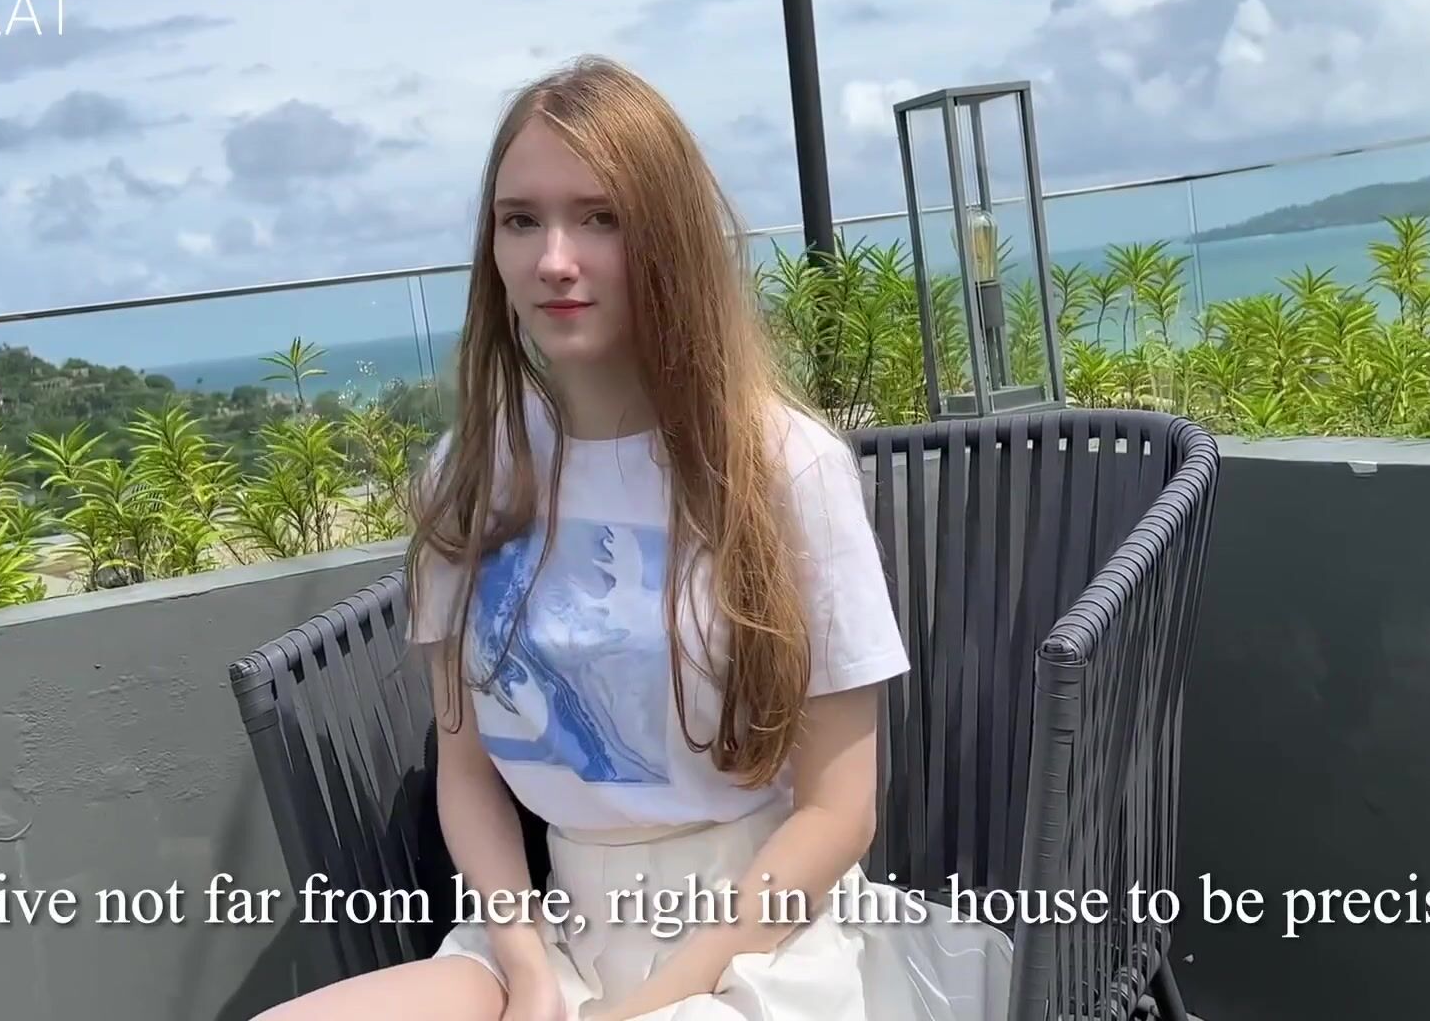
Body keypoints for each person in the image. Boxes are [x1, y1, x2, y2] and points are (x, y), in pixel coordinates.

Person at [253, 54, 1013, 1021]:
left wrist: (643, 1005)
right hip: (554, 932)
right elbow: (467, 772)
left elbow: (838, 810)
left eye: (599, 218)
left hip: (760, 940)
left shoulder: (785, 467)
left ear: (667, 237)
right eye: (520, 220)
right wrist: (528, 971)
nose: (553, 259)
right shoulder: (471, 472)